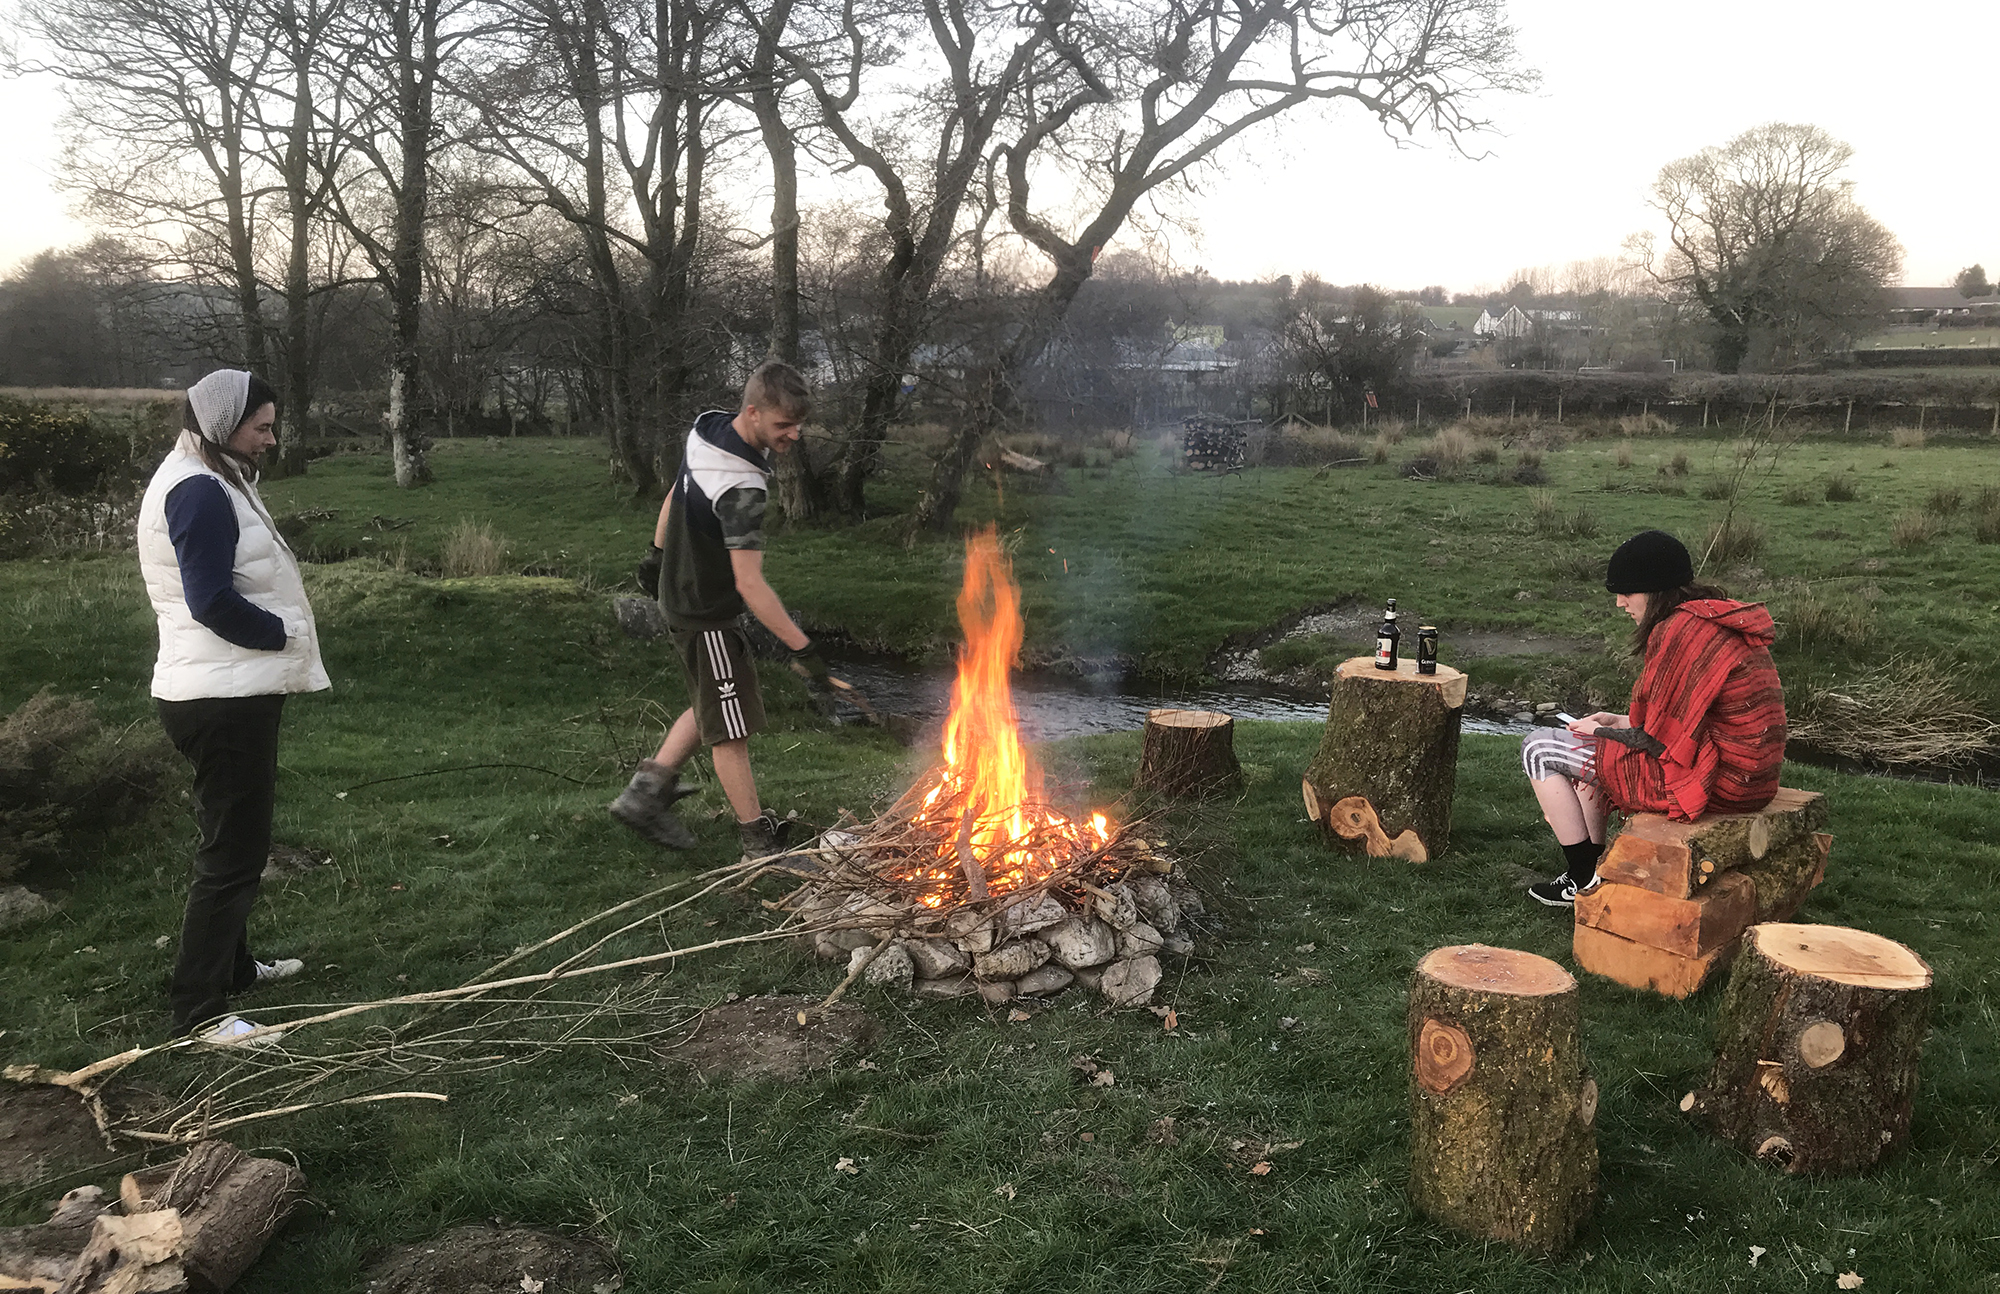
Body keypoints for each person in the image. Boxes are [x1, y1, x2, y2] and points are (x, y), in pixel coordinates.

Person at [137, 370, 329, 1041]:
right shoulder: (197, 490)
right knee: (234, 852)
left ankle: (236, 967)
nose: (271, 440)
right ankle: (198, 1011)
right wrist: (283, 634)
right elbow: (210, 601)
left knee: (235, 839)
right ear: (223, 425)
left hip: (227, 688)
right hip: (220, 697)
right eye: (262, 427)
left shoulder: (210, 472)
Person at [610, 361, 831, 857]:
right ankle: (757, 843)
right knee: (731, 728)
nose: (794, 435)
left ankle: (646, 793)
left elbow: (677, 487)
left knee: (713, 700)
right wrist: (805, 649)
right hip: (706, 610)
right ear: (753, 412)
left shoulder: (707, 428)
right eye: (782, 426)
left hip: (681, 592)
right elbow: (749, 584)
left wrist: (658, 552)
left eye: (798, 425)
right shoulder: (743, 489)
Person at [1521, 529, 1786, 907]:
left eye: (1627, 591)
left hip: (1719, 782)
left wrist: (1600, 732)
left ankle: (1582, 878)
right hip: (1751, 777)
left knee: (1538, 748)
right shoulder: (1709, 621)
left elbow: (1659, 741)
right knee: (1594, 751)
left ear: (1654, 590)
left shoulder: (1679, 631)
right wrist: (1615, 721)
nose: (1619, 603)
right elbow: (1684, 723)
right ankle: (1594, 869)